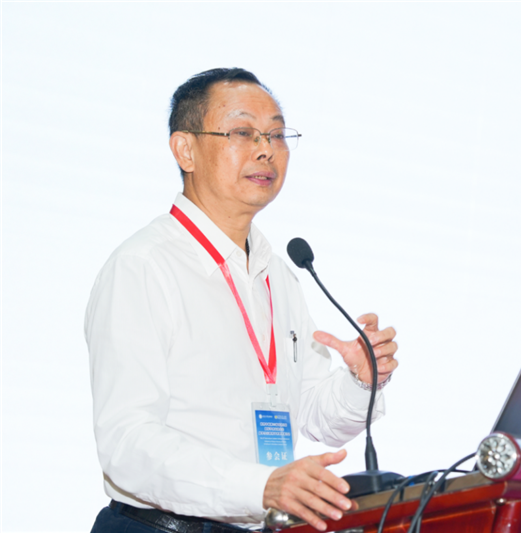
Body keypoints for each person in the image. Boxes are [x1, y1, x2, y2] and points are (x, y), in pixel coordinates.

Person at [86, 68, 398, 533]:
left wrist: (360, 380)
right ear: (185, 150)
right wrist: (260, 486)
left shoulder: (279, 276)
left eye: (277, 134)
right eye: (242, 132)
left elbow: (315, 415)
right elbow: (127, 444)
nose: (265, 149)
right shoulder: (144, 266)